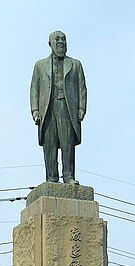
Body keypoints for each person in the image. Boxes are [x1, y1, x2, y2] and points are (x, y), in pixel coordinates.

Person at [30, 31, 87, 184]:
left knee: (67, 143)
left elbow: (82, 87)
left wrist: (81, 108)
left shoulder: (75, 64)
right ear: (50, 43)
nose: (61, 42)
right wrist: (35, 110)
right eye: (57, 39)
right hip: (46, 109)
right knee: (50, 145)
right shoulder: (40, 65)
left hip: (66, 108)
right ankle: (51, 178)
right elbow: (34, 88)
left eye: (64, 39)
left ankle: (69, 176)